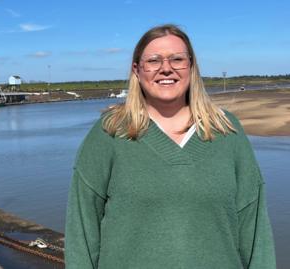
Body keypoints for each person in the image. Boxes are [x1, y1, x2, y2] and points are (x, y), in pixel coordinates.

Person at [65, 24, 276, 269]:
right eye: (153, 60)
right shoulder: (109, 133)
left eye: (177, 59)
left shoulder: (227, 131)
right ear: (137, 70)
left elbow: (255, 230)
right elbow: (81, 232)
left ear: (192, 66)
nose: (166, 68)